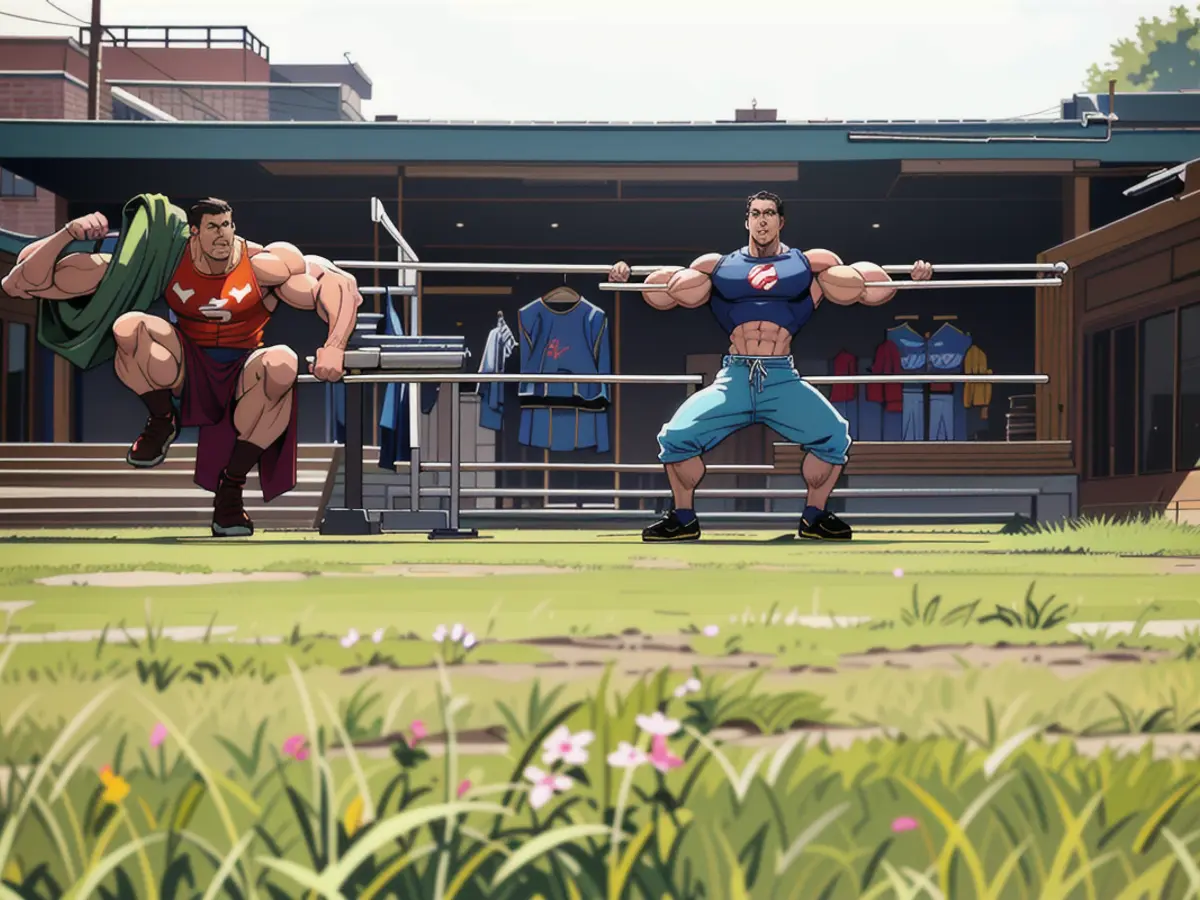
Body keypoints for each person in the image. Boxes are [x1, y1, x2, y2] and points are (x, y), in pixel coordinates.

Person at [2, 195, 360, 537]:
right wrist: (68, 233)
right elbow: (21, 282)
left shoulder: (263, 263)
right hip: (186, 365)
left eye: (227, 226)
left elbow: (339, 283)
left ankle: (231, 489)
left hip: (244, 365)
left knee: (283, 361)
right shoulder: (163, 260)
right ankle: (161, 420)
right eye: (213, 228)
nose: (223, 236)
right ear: (193, 231)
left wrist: (334, 345)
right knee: (128, 327)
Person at [608, 190, 933, 542]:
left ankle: (814, 517)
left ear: (781, 221)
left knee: (833, 436)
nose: (762, 220)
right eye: (756, 214)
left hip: (780, 376)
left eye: (769, 213)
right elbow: (664, 290)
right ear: (746, 221)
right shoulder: (718, 266)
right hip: (735, 375)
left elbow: (865, 286)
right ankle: (684, 518)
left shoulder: (810, 263)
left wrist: (910, 278)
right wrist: (626, 275)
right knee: (676, 438)